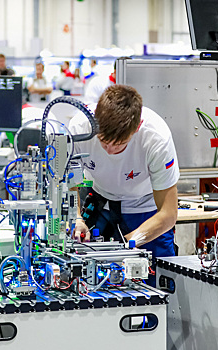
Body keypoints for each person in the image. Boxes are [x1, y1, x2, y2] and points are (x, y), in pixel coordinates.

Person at [69, 84, 179, 286]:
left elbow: (169, 213)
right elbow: (69, 185)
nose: (109, 150)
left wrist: (131, 242)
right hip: (101, 202)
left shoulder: (156, 138)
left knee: (160, 289)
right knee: (89, 282)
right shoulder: (79, 130)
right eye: (103, 141)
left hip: (147, 211)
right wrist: (76, 218)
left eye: (119, 144)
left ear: (136, 129)